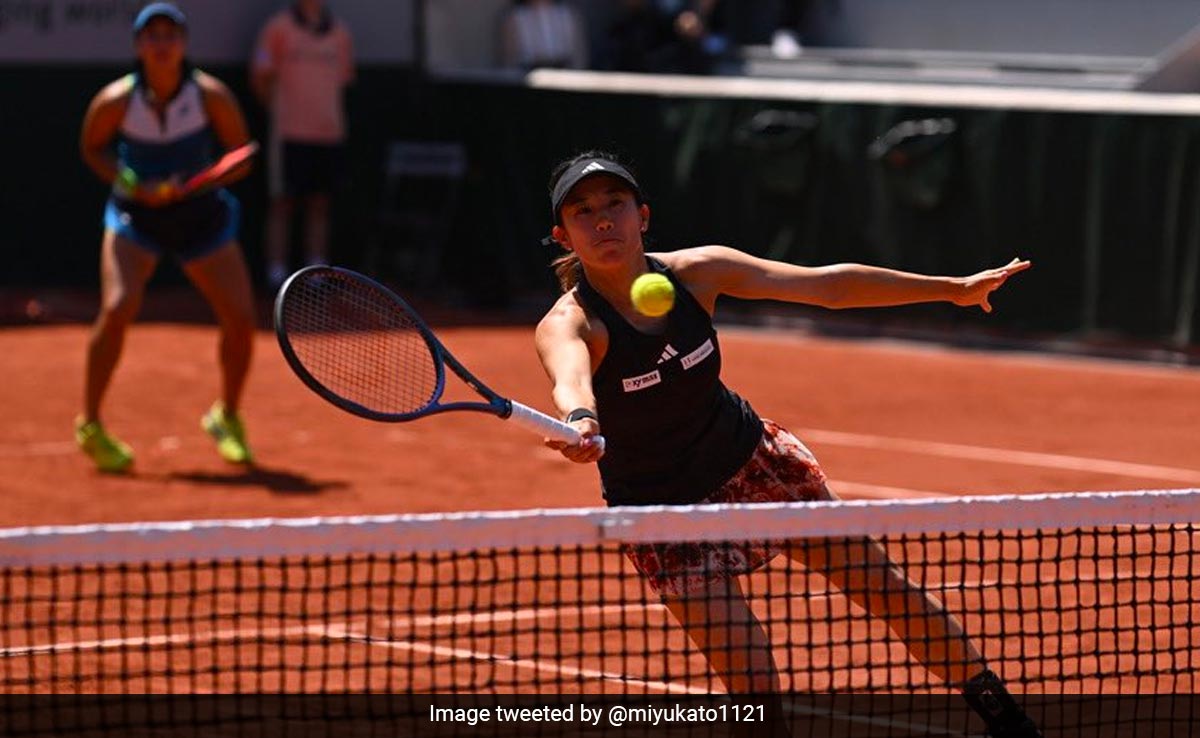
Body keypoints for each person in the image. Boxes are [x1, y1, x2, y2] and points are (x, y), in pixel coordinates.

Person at [534, 151, 1041, 737]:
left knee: (887, 591)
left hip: (751, 463)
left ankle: (1010, 724)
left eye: (614, 204)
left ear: (642, 215)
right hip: (662, 511)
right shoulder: (571, 323)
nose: (602, 220)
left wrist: (952, 289)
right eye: (582, 211)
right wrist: (581, 419)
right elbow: (570, 379)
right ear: (562, 235)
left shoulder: (698, 273)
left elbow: (829, 286)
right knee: (751, 680)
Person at [76, 3, 256, 472]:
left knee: (240, 319)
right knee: (118, 307)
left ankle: (227, 416)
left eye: (170, 35)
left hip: (201, 217)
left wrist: (199, 183)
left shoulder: (211, 96)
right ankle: (91, 425)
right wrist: (133, 183)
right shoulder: (115, 101)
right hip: (135, 218)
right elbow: (92, 148)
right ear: (139, 46)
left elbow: (241, 154)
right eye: (152, 36)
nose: (162, 44)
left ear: (183, 44)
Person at [251, 0, 355, 291]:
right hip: (288, 133)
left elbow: (343, 81)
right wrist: (280, 111)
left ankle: (316, 274)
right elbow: (260, 77)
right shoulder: (277, 28)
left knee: (320, 204)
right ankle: (276, 275)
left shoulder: (340, 33)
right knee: (281, 203)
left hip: (329, 134)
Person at [499, 0, 589, 71]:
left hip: (563, 70)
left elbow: (579, 53)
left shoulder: (567, 13)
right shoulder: (515, 17)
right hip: (530, 72)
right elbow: (510, 59)